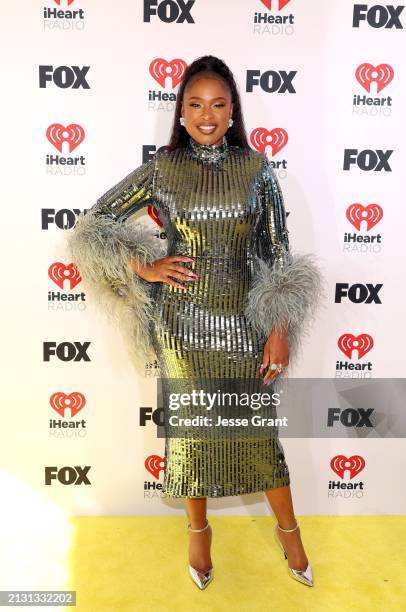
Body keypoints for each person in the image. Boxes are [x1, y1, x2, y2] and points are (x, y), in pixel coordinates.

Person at [67, 55, 324, 591]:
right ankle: (198, 531)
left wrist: (278, 326)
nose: (207, 115)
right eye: (195, 104)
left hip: (244, 323)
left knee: (256, 434)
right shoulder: (163, 169)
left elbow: (277, 252)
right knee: (191, 434)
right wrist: (146, 265)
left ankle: (289, 532)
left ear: (233, 111)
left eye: (218, 104)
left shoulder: (258, 170)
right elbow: (94, 225)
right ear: (181, 112)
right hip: (182, 327)